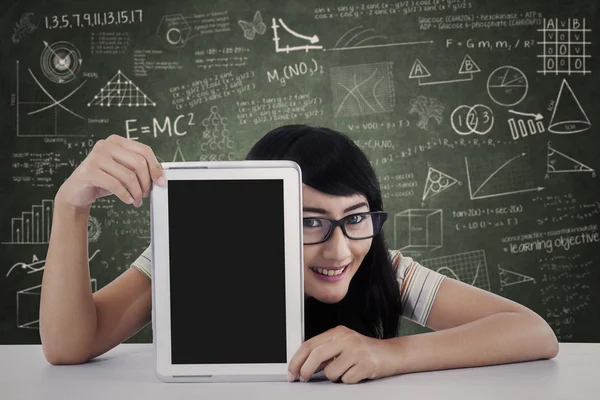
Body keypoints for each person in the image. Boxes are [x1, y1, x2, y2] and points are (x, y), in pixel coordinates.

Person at [40, 125, 559, 384]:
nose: (339, 248)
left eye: (356, 217)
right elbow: (67, 345)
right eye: (309, 221)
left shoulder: (384, 267)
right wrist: (71, 203)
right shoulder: (194, 253)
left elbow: (534, 332)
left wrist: (389, 353)